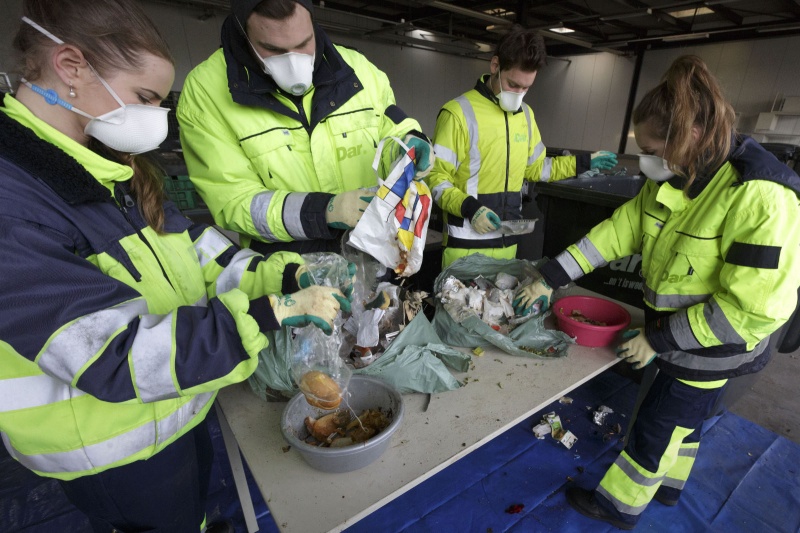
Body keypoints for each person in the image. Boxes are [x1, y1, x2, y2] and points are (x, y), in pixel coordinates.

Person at [0, 1, 350, 532]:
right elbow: (112, 356)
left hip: (175, 409)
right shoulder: (16, 199)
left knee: (198, 513)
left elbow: (204, 255)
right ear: (71, 67)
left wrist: (282, 276)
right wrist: (266, 312)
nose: (154, 121)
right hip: (111, 449)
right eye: (145, 99)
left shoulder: (108, 171)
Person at [516, 55, 800, 529]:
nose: (643, 161)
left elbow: (747, 310)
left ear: (688, 136)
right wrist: (551, 274)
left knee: (657, 425)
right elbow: (616, 233)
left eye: (650, 150)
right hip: (677, 335)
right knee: (685, 421)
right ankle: (671, 487)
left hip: (714, 346)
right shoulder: (679, 175)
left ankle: (618, 506)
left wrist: (659, 339)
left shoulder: (760, 195)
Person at [177, 0, 434, 257]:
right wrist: (323, 211)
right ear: (243, 32)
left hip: (374, 256)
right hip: (289, 275)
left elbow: (390, 125)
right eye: (272, 49)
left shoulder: (358, 70)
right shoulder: (206, 92)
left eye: (304, 44)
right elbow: (233, 201)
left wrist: (409, 142)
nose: (293, 62)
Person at [425, 25, 618, 267]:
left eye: (526, 88)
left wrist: (584, 162)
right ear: (495, 66)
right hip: (465, 245)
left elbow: (538, 168)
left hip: (508, 243)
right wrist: (470, 208)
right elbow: (435, 178)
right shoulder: (458, 113)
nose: (519, 94)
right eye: (513, 84)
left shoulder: (526, 115)